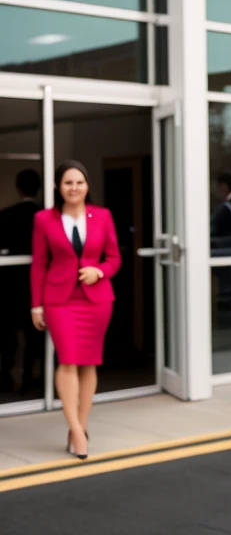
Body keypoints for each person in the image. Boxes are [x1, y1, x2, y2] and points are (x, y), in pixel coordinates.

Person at [30, 160, 121, 460]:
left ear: (87, 186)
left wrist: (100, 271)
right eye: (68, 183)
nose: (74, 188)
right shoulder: (44, 219)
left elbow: (115, 258)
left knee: (89, 363)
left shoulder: (103, 216)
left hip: (97, 300)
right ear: (58, 187)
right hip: (59, 301)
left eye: (79, 182)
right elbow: (39, 264)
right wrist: (36, 305)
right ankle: (78, 433)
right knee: (67, 360)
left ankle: (78, 428)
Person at [0, 169, 44, 394]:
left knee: (7, 333)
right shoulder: (44, 216)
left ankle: (5, 378)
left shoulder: (6, 215)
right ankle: (30, 378)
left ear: (19, 188)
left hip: (8, 284)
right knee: (34, 334)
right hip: (35, 286)